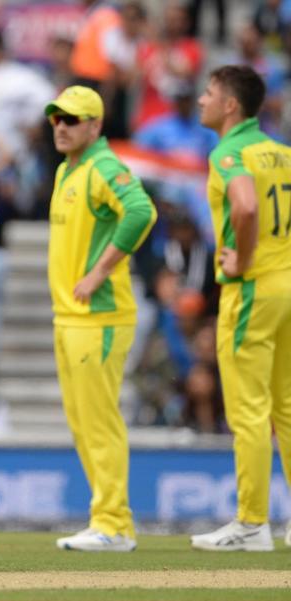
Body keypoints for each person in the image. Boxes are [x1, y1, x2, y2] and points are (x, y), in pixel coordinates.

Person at [44, 86, 156, 552]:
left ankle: (114, 523)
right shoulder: (69, 169)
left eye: (73, 119)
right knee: (82, 422)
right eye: (56, 119)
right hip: (70, 318)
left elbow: (141, 211)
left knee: (100, 421)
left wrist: (97, 273)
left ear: (95, 126)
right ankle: (106, 519)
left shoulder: (105, 167)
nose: (62, 126)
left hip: (100, 316)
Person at [191, 65, 291, 552]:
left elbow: (246, 207)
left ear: (231, 105)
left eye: (208, 92)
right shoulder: (283, 151)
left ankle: (252, 523)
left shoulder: (229, 152)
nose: (200, 99)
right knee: (287, 409)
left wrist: (244, 258)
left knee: (250, 412)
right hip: (289, 283)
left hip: (251, 288)